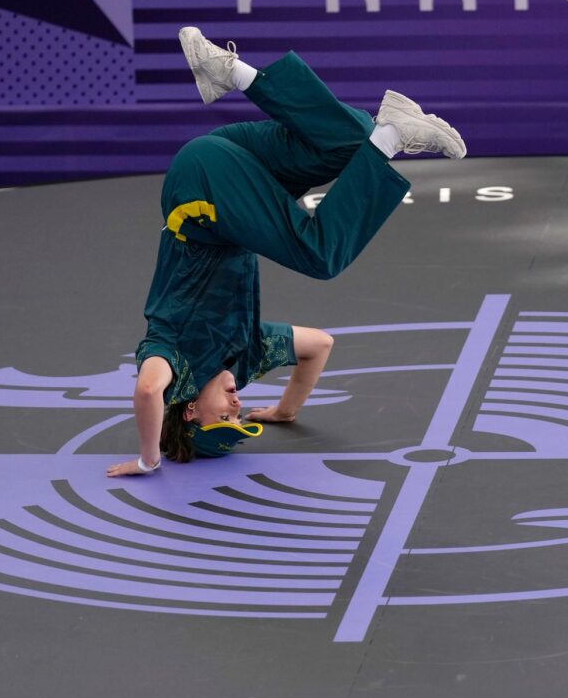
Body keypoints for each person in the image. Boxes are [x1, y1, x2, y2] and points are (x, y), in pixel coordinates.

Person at [107, 27, 465, 477]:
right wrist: (285, 410)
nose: (237, 406)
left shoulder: (174, 361)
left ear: (190, 412)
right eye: (240, 417)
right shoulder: (248, 352)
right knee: (351, 142)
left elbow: (146, 392)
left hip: (200, 197)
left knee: (320, 255)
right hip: (225, 173)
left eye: (225, 415)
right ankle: (231, 72)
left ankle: (393, 138)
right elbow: (319, 345)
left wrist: (149, 458)